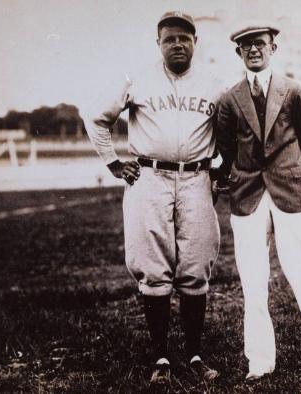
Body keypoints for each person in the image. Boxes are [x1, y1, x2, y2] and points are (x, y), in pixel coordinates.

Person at [83, 11, 225, 386]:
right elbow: (96, 118)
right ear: (158, 44)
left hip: (196, 177)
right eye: (169, 39)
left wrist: (223, 169)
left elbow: (232, 132)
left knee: (196, 265)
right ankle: (160, 355)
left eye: (185, 38)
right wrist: (113, 162)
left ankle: (195, 354)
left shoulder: (214, 85)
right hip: (149, 177)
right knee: (152, 265)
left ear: (196, 42)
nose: (177, 44)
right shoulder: (138, 80)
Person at [215, 22, 301, 386]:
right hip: (247, 196)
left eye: (260, 44)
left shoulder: (293, 90)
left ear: (273, 48)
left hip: (291, 193)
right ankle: (259, 362)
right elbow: (227, 148)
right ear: (239, 53)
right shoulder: (229, 99)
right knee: (253, 281)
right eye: (246, 46)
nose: (254, 51)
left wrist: (294, 177)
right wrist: (243, 178)